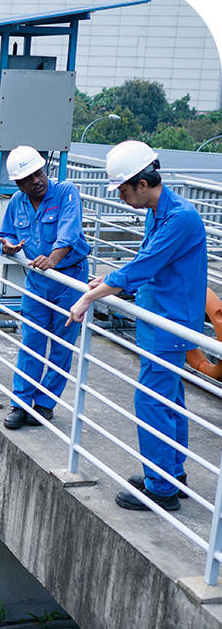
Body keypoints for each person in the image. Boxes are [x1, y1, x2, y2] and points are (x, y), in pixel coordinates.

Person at [67, 140, 207, 512]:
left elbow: (144, 267)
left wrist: (87, 299)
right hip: (159, 317)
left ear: (142, 184)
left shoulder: (179, 218)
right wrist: (107, 281)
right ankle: (171, 473)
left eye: (124, 189)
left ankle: (161, 488)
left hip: (170, 322)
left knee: (152, 401)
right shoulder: (160, 211)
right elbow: (145, 261)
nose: (123, 197)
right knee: (169, 400)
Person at [0, 146, 91, 429]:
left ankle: (45, 403)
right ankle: (20, 403)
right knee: (32, 342)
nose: (36, 180)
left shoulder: (65, 192)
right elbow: (6, 234)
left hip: (69, 279)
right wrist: (8, 247)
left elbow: (69, 230)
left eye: (38, 172)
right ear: (19, 184)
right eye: (28, 178)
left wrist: (54, 258)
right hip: (37, 281)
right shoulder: (17, 202)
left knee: (62, 344)